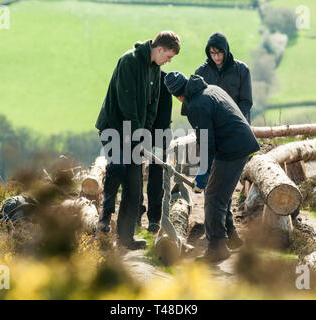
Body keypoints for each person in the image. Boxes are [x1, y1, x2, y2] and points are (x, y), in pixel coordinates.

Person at [95, 31, 180, 250]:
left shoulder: (155, 69)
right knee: (117, 167)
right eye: (169, 56)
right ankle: (105, 216)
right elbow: (127, 105)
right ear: (159, 49)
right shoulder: (129, 61)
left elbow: (151, 106)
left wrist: (143, 135)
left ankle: (125, 239)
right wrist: (135, 136)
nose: (169, 61)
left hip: (134, 133)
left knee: (134, 187)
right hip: (113, 127)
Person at [163, 72, 259, 262]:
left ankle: (217, 247)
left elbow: (207, 142)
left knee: (214, 196)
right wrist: (207, 170)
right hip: (239, 143)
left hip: (232, 148)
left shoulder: (197, 105)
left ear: (177, 96)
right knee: (220, 191)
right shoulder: (210, 89)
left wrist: (203, 172)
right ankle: (231, 237)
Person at [195, 32, 253, 248]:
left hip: (234, 135)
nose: (216, 57)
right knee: (218, 186)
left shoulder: (241, 70)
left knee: (222, 187)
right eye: (212, 53)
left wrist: (238, 125)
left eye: (219, 53)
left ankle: (226, 235)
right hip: (213, 137)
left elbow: (246, 102)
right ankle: (229, 233)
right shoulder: (202, 72)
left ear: (226, 51)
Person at [137, 70, 173, 233]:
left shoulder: (164, 79)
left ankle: (154, 218)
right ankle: (136, 213)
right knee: (134, 172)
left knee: (156, 172)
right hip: (137, 130)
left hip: (159, 131)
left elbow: (165, 113)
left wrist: (157, 142)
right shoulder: (136, 75)